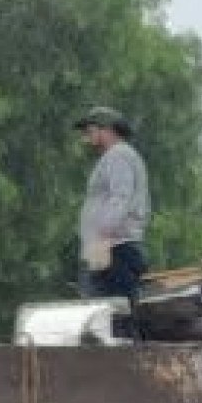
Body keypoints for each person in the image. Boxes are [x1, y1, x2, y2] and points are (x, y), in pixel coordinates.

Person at [75, 105, 152, 304]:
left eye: (90, 130)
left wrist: (101, 233)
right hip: (107, 245)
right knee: (102, 310)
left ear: (106, 129)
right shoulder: (115, 156)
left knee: (113, 312)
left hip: (114, 247)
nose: (86, 136)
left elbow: (120, 198)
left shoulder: (118, 155)